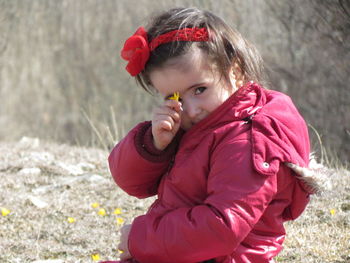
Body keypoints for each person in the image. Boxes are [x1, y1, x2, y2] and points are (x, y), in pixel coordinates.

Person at [104, 7, 317, 263]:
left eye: (199, 89)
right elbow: (131, 182)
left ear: (235, 72)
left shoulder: (247, 139)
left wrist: (138, 239)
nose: (190, 109)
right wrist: (154, 145)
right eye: (175, 97)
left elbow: (222, 228)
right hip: (185, 253)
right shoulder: (200, 124)